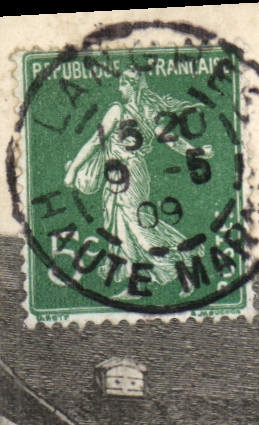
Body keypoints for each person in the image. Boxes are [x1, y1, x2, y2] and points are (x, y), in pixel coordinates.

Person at [63, 67, 213, 288]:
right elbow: (171, 140)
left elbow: (96, 141)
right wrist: (195, 151)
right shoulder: (150, 111)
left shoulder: (117, 110)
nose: (119, 88)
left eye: (123, 83)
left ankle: (173, 264)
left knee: (133, 224)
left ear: (131, 87)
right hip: (135, 173)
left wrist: (73, 170)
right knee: (129, 222)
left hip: (122, 176)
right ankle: (143, 272)